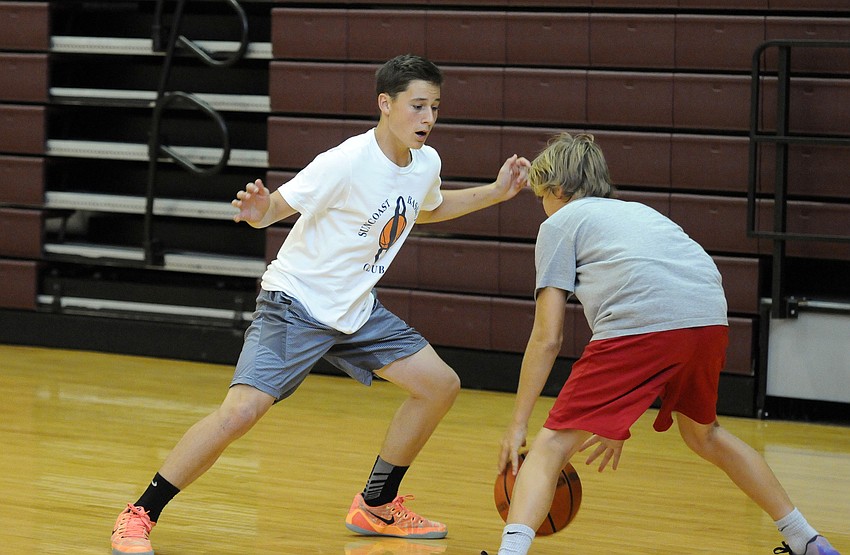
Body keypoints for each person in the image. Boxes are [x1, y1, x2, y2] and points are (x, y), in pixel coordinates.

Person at [110, 53, 530, 555]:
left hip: (355, 309)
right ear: (385, 104)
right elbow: (276, 210)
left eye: (435, 107)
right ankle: (138, 515)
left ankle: (376, 505)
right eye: (418, 106)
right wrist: (260, 210)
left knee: (439, 385)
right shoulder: (345, 162)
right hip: (296, 304)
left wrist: (497, 193)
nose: (428, 118)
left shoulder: (426, 164)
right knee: (239, 414)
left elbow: (430, 208)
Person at [483, 132, 840, 555]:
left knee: (550, 445)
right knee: (705, 435)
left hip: (647, 327)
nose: (542, 204)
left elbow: (547, 337)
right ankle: (807, 540)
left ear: (557, 190)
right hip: (709, 318)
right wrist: (618, 415)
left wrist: (517, 424)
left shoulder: (559, 223)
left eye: (542, 195)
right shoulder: (640, 214)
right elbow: (661, 309)